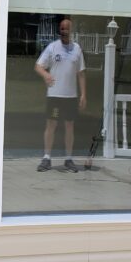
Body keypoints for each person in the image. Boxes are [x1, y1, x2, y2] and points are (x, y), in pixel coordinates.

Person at [34, 18, 86, 172]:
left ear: (71, 30)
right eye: (62, 29)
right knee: (51, 125)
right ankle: (47, 158)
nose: (64, 31)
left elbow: (81, 73)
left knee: (69, 126)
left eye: (67, 29)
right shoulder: (52, 47)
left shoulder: (77, 49)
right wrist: (45, 75)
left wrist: (84, 94)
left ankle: (68, 159)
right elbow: (38, 66)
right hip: (55, 96)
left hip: (70, 96)